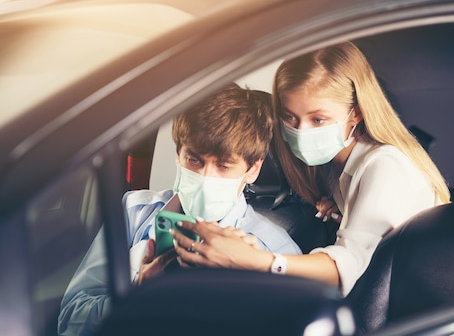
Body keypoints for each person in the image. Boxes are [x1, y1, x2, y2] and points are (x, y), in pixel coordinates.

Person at [169, 41, 450, 296]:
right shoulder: (331, 169)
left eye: (318, 120)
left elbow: (348, 267)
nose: (300, 131)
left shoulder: (385, 166)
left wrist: (256, 260)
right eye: (290, 117)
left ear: (356, 113)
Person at [57, 83, 302, 336]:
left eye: (224, 166)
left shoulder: (276, 251)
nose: (205, 176)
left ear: (253, 169)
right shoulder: (133, 213)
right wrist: (138, 295)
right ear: (178, 154)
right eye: (194, 159)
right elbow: (70, 321)